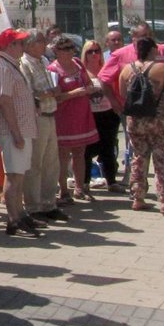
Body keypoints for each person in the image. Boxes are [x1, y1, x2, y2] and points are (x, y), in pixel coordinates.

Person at [0, 28, 40, 237]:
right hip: (13, 130)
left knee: (19, 174)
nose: (23, 46)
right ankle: (13, 220)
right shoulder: (3, 66)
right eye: (19, 43)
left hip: (21, 128)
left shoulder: (11, 65)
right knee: (13, 176)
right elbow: (4, 100)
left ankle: (20, 214)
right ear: (9, 46)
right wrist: (16, 133)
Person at [119, 38, 164, 214]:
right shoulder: (161, 68)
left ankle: (137, 198)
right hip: (160, 120)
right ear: (153, 50)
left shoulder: (127, 69)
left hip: (136, 121)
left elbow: (123, 93)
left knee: (138, 157)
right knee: (163, 159)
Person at [21, 30, 67, 224]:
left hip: (50, 114)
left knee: (51, 162)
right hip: (37, 117)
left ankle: (49, 204)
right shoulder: (24, 63)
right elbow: (27, 93)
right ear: (30, 44)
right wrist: (47, 93)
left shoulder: (44, 61)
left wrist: (55, 91)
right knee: (35, 163)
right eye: (41, 41)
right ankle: (33, 206)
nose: (45, 44)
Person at [47, 36, 99, 204]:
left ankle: (79, 188)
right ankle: (63, 190)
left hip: (82, 114)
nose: (71, 51)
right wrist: (76, 93)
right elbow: (56, 97)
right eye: (66, 48)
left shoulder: (77, 63)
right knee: (63, 154)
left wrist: (89, 89)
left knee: (80, 153)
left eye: (72, 47)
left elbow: (88, 83)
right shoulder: (53, 69)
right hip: (64, 117)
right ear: (56, 51)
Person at [81, 40, 121, 192]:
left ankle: (111, 181)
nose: (94, 54)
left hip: (107, 113)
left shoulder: (106, 69)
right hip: (89, 114)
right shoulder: (81, 71)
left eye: (97, 50)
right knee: (87, 150)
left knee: (108, 147)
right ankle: (84, 182)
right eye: (90, 51)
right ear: (84, 54)